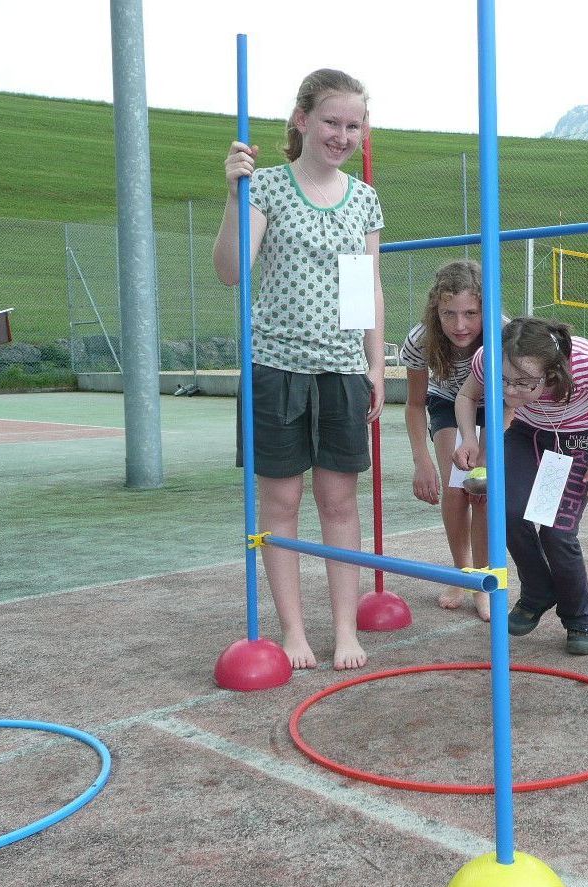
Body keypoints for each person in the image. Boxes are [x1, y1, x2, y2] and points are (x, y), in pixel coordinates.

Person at [212, 68, 386, 671]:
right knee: (281, 500)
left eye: (354, 125)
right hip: (276, 366)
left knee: (339, 501)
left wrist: (375, 365)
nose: (342, 135)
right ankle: (292, 631)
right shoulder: (265, 186)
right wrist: (234, 197)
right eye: (332, 121)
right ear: (302, 119)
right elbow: (231, 272)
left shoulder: (364, 199)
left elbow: (367, 289)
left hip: (341, 370)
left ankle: (344, 628)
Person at [452, 318, 588, 655]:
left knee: (557, 532)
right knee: (506, 511)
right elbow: (466, 395)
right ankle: (537, 590)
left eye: (523, 383)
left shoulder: (587, 360)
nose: (510, 392)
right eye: (504, 381)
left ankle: (581, 616)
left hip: (580, 439)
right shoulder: (489, 356)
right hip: (527, 434)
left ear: (552, 371)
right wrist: (469, 438)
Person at [400, 259, 494, 622]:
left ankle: (482, 581)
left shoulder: (502, 334)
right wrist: (421, 461)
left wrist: (484, 450)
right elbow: (414, 404)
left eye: (471, 313)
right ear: (435, 311)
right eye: (448, 314)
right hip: (447, 403)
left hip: (495, 406)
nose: (460, 325)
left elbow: (513, 401)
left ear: (484, 308)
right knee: (456, 489)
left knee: (481, 490)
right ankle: (461, 572)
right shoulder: (421, 340)